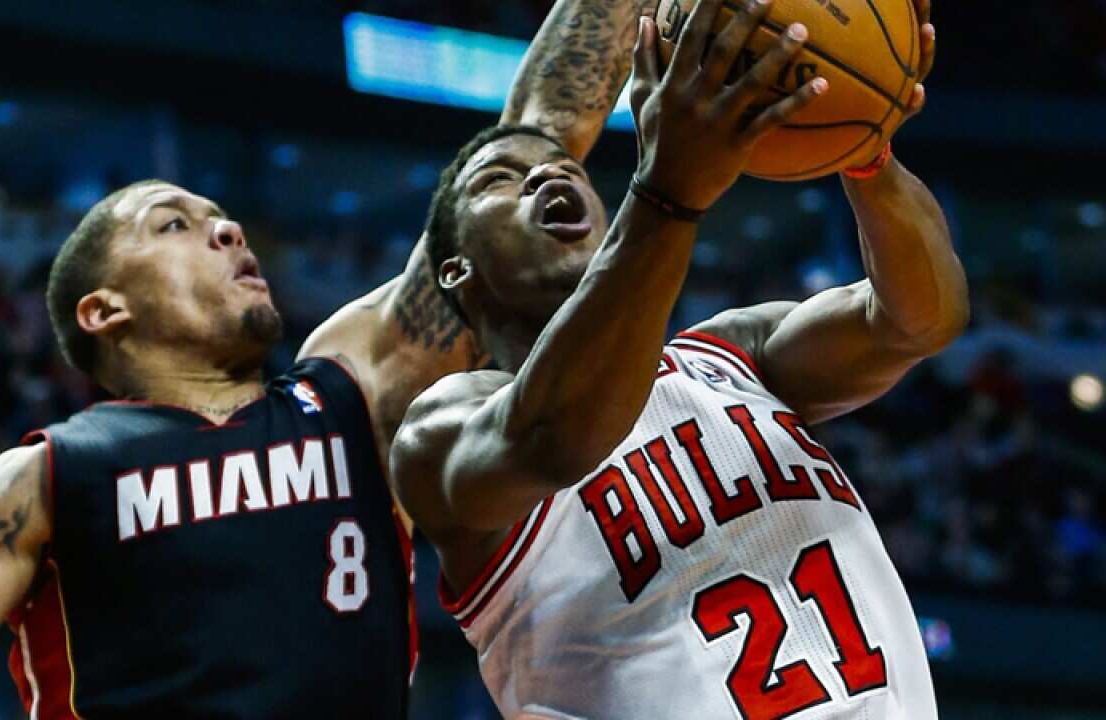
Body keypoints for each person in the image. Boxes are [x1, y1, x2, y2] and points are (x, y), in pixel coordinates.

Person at [0, 1, 659, 717]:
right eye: (174, 224)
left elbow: (534, 138)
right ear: (104, 310)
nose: (227, 230)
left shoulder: (353, 395)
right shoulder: (43, 478)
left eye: (223, 217)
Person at [391, 1, 966, 718]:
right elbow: (557, 437)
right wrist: (666, 192)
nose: (546, 177)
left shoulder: (734, 354)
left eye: (564, 167)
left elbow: (920, 319)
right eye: (500, 180)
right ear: (453, 271)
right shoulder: (440, 432)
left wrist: (865, 149)